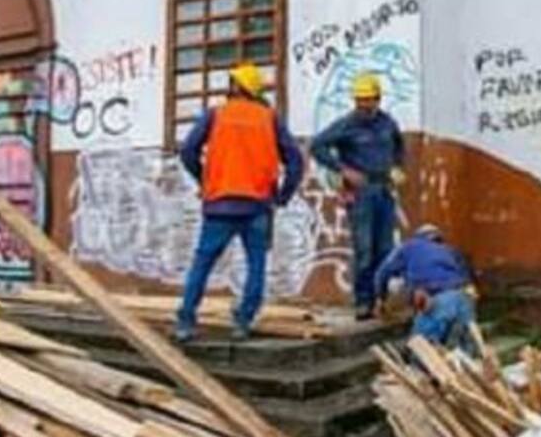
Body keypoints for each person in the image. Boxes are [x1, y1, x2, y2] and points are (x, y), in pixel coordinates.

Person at [175, 64, 304, 342]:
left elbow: (187, 151)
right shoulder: (269, 118)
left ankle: (186, 321)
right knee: (256, 264)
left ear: (235, 86)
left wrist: (204, 180)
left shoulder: (215, 115)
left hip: (219, 204)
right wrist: (283, 195)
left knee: (203, 263)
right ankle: (243, 322)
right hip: (258, 205)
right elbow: (296, 161)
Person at [310, 73, 406, 320]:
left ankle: (380, 299)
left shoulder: (387, 123)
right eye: (360, 100)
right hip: (361, 193)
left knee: (384, 248)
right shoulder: (347, 124)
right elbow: (317, 145)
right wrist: (343, 170)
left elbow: (399, 146)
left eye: (369, 99)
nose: (364, 105)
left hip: (384, 189)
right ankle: (363, 301)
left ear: (378, 99)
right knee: (364, 249)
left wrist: (397, 166)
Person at [375, 224, 476, 349]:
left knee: (421, 355)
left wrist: (380, 298)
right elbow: (468, 278)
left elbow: (383, 272)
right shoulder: (450, 250)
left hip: (436, 300)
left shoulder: (409, 246)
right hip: (464, 300)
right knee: (464, 358)